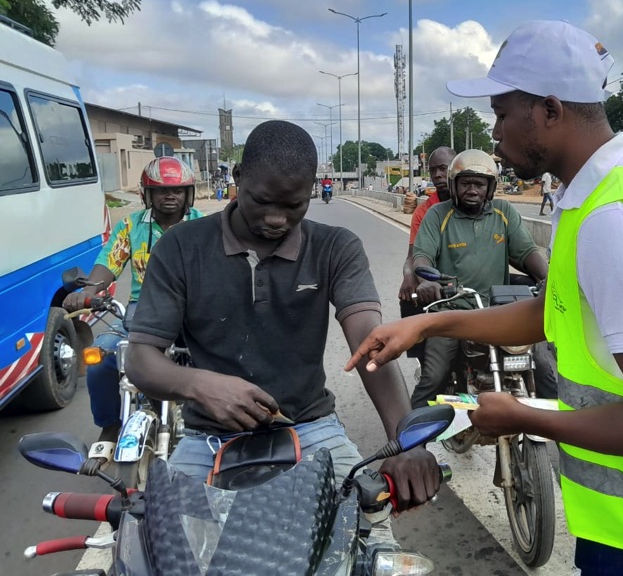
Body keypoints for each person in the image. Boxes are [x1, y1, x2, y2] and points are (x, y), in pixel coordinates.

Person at [346, 21, 623, 576]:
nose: (493, 134)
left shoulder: (611, 221)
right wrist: (426, 327)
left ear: (548, 110)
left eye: (499, 113)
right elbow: (552, 313)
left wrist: (524, 416)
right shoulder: (602, 191)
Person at [125, 121, 441, 521]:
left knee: (369, 539)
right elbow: (140, 359)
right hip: (207, 440)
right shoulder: (181, 247)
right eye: (262, 201)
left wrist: (405, 441)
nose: (277, 220)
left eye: (293, 206)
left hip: (310, 428)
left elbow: (370, 342)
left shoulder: (335, 247)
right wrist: (200, 385)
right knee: (162, 544)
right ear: (238, 178)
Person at [62, 156, 202, 471]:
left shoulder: (203, 225)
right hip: (142, 310)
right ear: (147, 194)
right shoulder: (131, 226)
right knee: (101, 357)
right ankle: (110, 427)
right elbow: (109, 262)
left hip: (193, 310)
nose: (171, 196)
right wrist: (88, 291)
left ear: (188, 194)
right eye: (162, 190)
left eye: (178, 190)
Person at [409, 148, 553, 406]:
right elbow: (422, 257)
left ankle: (562, 430)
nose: (472, 189)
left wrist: (550, 280)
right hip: (453, 310)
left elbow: (527, 252)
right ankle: (408, 439)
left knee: (543, 366)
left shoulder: (504, 212)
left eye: (479, 184)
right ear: (454, 185)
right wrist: (426, 280)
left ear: (490, 187)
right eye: (465, 183)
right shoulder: (437, 215)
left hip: (501, 311)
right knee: (434, 376)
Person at [397, 147, 456, 359]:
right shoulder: (425, 211)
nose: (438, 175)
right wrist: (409, 275)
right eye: (433, 171)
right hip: (439, 281)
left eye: (443, 168)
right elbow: (413, 255)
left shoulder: (487, 206)